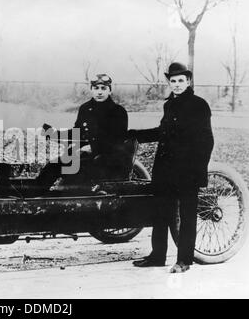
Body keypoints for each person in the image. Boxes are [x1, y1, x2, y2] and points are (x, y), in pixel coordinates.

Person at [129, 62, 214, 273]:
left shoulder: (199, 105)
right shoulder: (169, 105)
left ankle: (184, 260)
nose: (176, 85)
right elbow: (162, 132)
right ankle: (157, 256)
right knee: (160, 212)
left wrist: (198, 171)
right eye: (173, 81)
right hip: (165, 168)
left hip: (187, 171)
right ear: (169, 82)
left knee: (186, 216)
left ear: (188, 81)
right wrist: (135, 134)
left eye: (180, 81)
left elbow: (206, 140)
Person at [36, 73, 128, 192]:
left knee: (74, 174)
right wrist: (53, 134)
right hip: (83, 156)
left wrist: (92, 147)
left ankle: (63, 201)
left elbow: (118, 140)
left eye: (103, 88)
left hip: (106, 159)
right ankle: (35, 199)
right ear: (91, 90)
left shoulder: (118, 112)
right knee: (53, 166)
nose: (99, 92)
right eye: (96, 88)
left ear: (110, 91)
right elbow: (77, 132)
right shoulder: (85, 108)